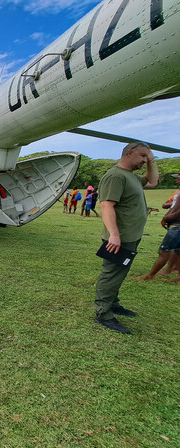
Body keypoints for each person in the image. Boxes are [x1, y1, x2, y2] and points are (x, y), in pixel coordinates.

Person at [94, 142, 158, 334]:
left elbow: (153, 182)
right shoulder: (115, 176)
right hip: (119, 237)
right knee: (112, 272)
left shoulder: (131, 176)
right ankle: (103, 313)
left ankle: (113, 303)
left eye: (147, 158)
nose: (144, 161)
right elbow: (106, 206)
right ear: (129, 153)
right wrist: (114, 234)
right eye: (142, 156)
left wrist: (151, 160)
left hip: (131, 236)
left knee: (120, 271)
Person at [135, 172, 180, 282]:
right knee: (178, 250)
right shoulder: (178, 192)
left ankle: (150, 275)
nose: (176, 180)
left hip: (177, 225)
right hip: (175, 223)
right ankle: (172, 272)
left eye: (179, 178)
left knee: (164, 251)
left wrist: (167, 218)